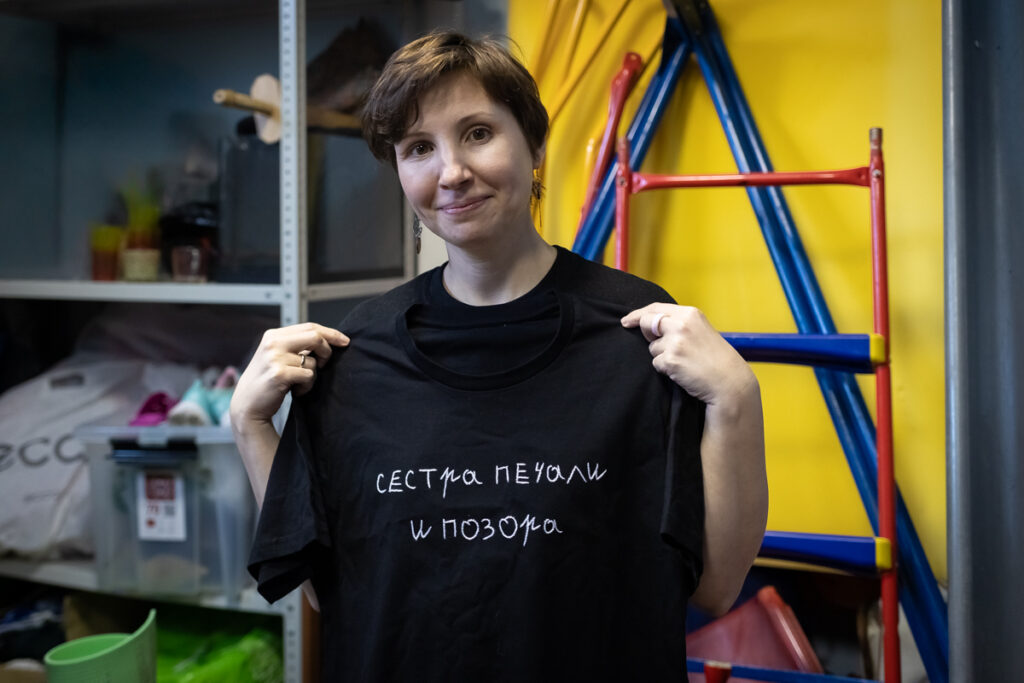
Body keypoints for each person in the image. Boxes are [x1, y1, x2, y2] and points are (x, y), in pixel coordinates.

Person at [230, 30, 767, 681]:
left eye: (478, 133)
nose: (452, 172)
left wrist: (737, 399)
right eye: (419, 148)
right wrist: (252, 427)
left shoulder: (638, 335)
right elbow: (333, 592)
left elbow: (715, 585)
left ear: (534, 145)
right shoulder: (357, 353)